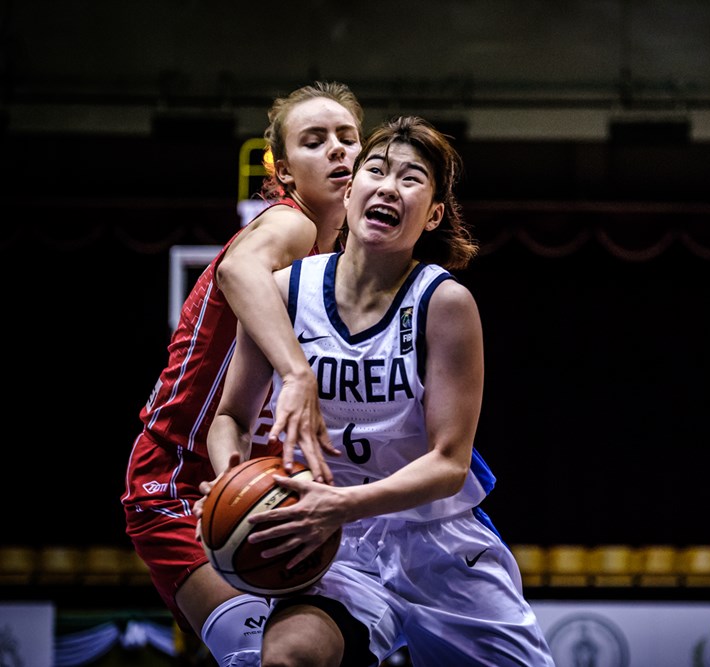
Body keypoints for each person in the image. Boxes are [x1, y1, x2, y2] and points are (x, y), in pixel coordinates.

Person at [202, 116, 556, 666]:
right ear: (350, 193)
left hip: (436, 539)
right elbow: (232, 417)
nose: (390, 186)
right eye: (376, 169)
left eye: (412, 178)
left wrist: (340, 505)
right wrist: (233, 481)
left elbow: (448, 463)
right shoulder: (287, 291)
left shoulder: (444, 304)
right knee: (287, 658)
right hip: (333, 548)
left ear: (433, 215)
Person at [121, 81, 364, 666]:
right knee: (262, 655)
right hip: (174, 479)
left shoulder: (343, 263)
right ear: (281, 169)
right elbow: (237, 269)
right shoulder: (292, 224)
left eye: (348, 137)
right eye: (314, 141)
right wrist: (297, 374)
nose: (337, 150)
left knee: (305, 652)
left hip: (240, 478)